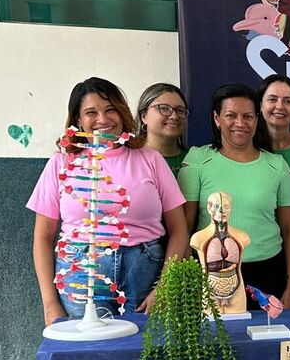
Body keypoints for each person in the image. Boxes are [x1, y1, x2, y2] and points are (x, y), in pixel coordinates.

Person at [28, 77, 188, 325]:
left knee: (145, 356)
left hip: (145, 273)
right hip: (80, 275)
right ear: (78, 120)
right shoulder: (60, 163)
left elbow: (179, 230)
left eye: (110, 109)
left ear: (122, 113)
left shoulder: (150, 159)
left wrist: (165, 287)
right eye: (91, 112)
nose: (103, 119)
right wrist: (49, 304)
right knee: (90, 355)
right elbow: (43, 237)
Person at [179, 82, 290, 310]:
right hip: (212, 274)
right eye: (230, 115)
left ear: (257, 119)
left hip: (268, 273)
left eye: (247, 116)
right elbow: (184, 227)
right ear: (217, 119)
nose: (240, 123)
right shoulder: (197, 160)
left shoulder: (277, 165)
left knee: (268, 343)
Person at [136, 83, 190, 177]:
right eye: (164, 108)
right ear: (144, 116)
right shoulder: (131, 158)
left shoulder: (195, 158)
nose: (174, 116)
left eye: (180, 110)